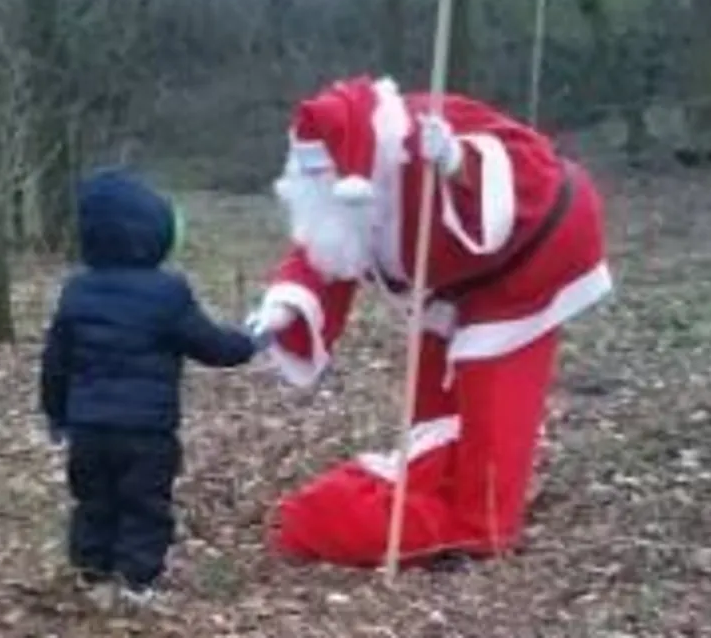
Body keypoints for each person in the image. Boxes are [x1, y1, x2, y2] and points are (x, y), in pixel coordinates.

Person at [245, 75, 613, 567]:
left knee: (492, 381)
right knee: (433, 388)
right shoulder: (340, 192)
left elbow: (529, 166)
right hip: (448, 275)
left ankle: (482, 517)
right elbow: (325, 249)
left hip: (533, 256)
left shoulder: (422, 128)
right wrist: (285, 305)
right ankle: (438, 472)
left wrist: (460, 165)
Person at [39, 168, 268, 608]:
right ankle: (135, 581)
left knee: (93, 500)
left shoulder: (77, 291)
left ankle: (92, 572)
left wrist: (55, 413)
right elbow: (211, 345)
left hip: (88, 429)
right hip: (146, 432)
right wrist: (250, 342)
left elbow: (56, 361)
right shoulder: (168, 293)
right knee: (144, 504)